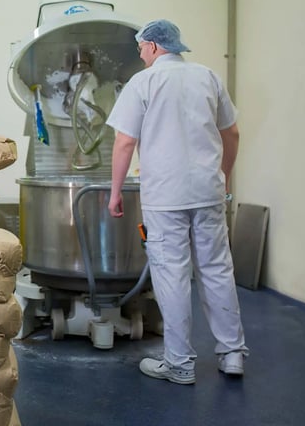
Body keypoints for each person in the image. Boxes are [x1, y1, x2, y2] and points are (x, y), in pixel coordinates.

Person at [106, 19, 248, 385]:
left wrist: (115, 192)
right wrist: (224, 176)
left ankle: (180, 363)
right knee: (217, 269)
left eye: (140, 48)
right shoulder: (208, 77)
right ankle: (232, 354)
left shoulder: (144, 82)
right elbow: (231, 133)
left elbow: (124, 143)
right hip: (208, 191)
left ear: (153, 46)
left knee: (172, 274)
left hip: (165, 195)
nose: (140, 55)